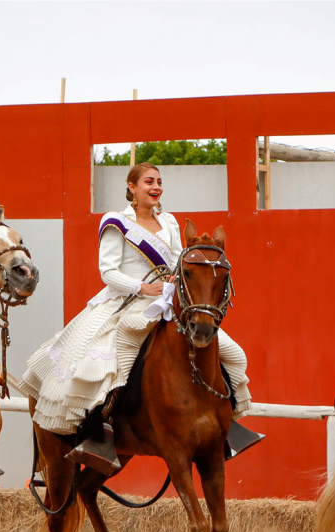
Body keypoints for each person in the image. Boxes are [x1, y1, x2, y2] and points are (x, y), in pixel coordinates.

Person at [20, 162, 253, 453]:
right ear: (132, 187)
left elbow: (177, 260)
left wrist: (177, 275)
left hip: (167, 300)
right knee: (110, 363)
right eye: (148, 182)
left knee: (231, 352)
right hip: (127, 302)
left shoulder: (168, 221)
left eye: (159, 182)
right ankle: (102, 429)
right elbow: (108, 271)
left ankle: (225, 422)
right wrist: (142, 287)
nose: (156, 187)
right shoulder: (116, 221)